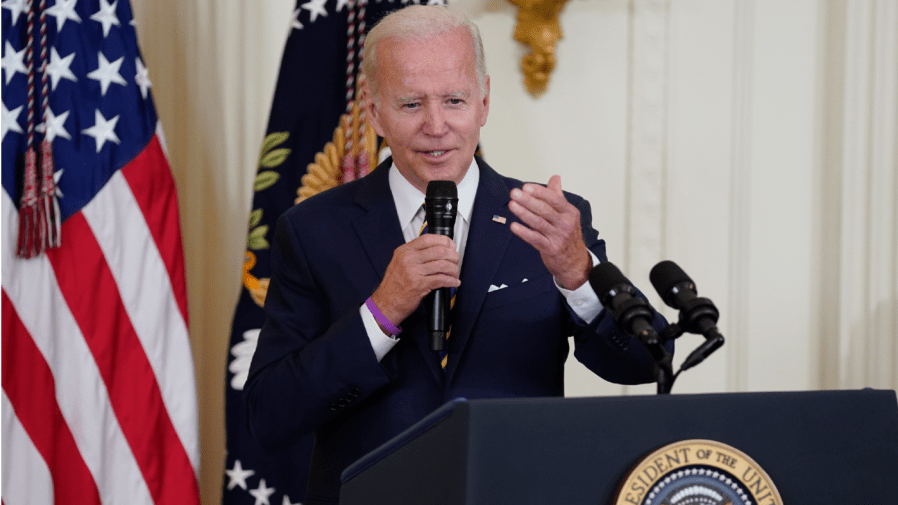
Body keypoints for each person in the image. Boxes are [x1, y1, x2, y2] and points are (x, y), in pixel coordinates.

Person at [244, 5, 668, 504]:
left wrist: (579, 275)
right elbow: (270, 415)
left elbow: (649, 361)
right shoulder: (313, 230)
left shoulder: (551, 222)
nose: (437, 125)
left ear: (484, 102)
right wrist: (379, 314)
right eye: (410, 105)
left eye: (454, 100)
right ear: (374, 109)